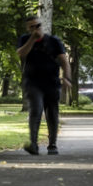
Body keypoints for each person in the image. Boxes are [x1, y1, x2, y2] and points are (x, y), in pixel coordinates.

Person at [16, 14, 69, 155]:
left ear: (42, 25)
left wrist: (67, 78)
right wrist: (32, 40)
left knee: (52, 113)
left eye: (37, 25)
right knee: (36, 110)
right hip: (33, 83)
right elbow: (21, 54)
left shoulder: (54, 41)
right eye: (32, 27)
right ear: (28, 28)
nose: (35, 29)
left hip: (52, 83)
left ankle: (52, 145)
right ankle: (33, 144)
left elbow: (64, 60)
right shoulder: (24, 39)